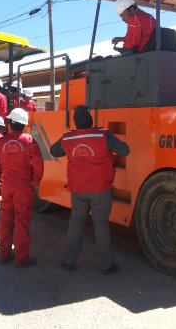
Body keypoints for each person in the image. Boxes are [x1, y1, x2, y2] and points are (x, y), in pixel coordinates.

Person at [49, 105, 130, 274]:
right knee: (100, 225)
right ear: (91, 120)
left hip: (78, 190)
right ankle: (106, 266)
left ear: (75, 122)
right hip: (100, 189)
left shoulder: (68, 137)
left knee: (76, 224)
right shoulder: (103, 135)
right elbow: (124, 150)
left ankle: (67, 262)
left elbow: (53, 151)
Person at [0, 108, 44, 267]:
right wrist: (36, 182)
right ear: (24, 125)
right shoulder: (29, 140)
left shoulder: (2, 141)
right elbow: (38, 164)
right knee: (21, 221)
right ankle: (22, 259)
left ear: (9, 123)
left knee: (5, 220)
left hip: (7, 185)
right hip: (23, 186)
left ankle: (3, 255)